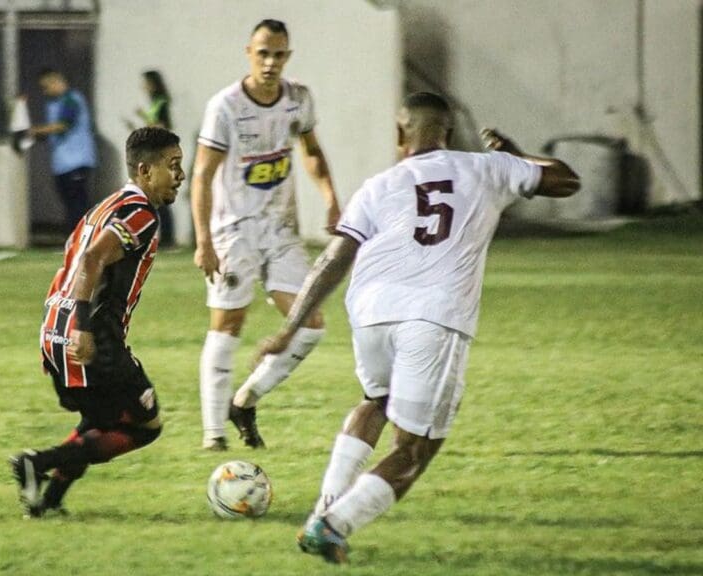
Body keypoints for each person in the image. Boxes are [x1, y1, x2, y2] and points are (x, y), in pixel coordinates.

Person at [251, 92, 580, 564]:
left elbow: (333, 258)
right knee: (416, 448)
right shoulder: (488, 167)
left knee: (376, 401)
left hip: (370, 310)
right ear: (448, 131)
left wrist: (289, 329)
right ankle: (333, 525)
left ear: (401, 133)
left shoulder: (378, 184)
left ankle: (325, 505)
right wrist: (515, 154)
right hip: (434, 313)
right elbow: (567, 181)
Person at [10, 126, 183, 517]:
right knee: (144, 424)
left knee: (100, 420)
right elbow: (91, 260)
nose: (180, 176)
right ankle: (36, 463)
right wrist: (85, 328)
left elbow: (74, 260)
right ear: (144, 170)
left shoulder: (105, 205)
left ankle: (49, 501)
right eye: (173, 166)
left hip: (55, 326)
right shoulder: (140, 215)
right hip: (90, 335)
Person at [192, 19, 340, 450]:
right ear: (248, 53)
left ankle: (245, 400)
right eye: (263, 53)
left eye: (278, 54)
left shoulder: (298, 99)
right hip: (232, 231)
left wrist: (331, 197)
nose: (271, 62)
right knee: (227, 325)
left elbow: (311, 152)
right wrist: (204, 240)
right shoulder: (224, 106)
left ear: (287, 57)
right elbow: (203, 175)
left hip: (280, 230)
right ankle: (213, 434)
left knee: (308, 325)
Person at [30, 68, 98, 232]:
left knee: (78, 202)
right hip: (62, 162)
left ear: (57, 82)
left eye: (46, 87)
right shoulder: (53, 104)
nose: (44, 91)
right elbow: (53, 133)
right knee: (69, 201)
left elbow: (63, 126)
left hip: (76, 160)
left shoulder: (71, 99)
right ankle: (77, 237)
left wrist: (33, 131)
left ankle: (85, 237)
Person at [128, 70, 175, 247]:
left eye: (145, 82)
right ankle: (161, 237)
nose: (143, 86)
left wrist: (144, 119)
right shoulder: (155, 103)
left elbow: (163, 127)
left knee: (160, 195)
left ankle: (167, 239)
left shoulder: (161, 102)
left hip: (161, 156)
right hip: (154, 154)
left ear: (152, 83)